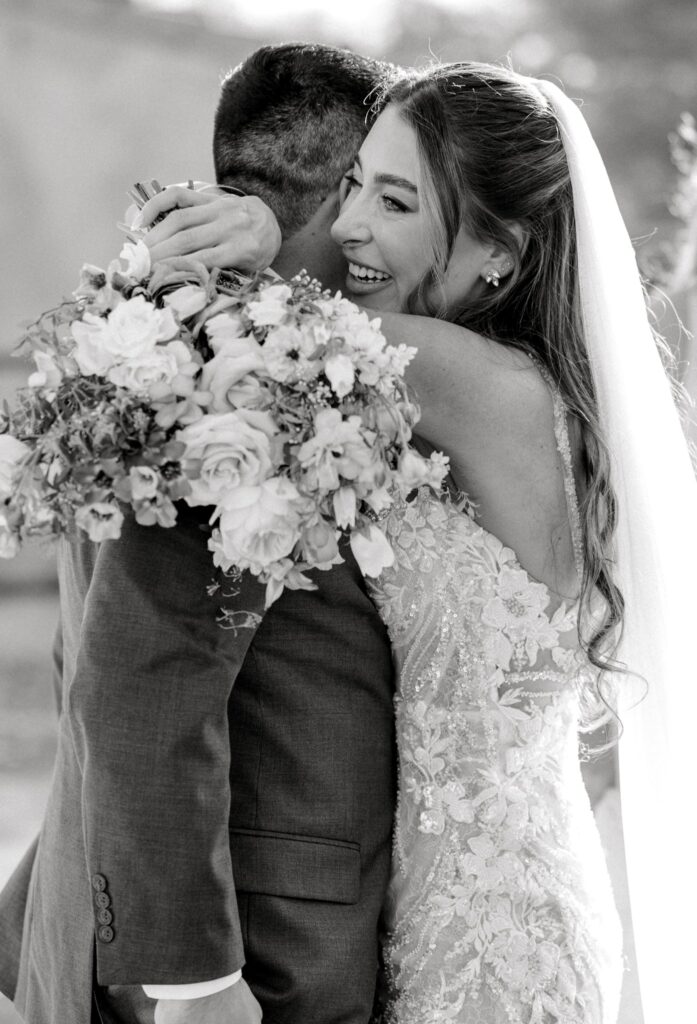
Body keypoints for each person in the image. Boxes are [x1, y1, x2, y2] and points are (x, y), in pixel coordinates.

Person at [142, 61, 697, 1024]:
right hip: (477, 893)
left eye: (394, 200)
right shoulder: (513, 388)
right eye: (353, 182)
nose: (349, 223)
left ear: (501, 253)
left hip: (488, 936)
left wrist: (268, 229)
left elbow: (252, 331)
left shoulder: (455, 375)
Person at [0, 44, 399, 1024]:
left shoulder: (144, 326)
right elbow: (140, 673)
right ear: (341, 185)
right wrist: (197, 984)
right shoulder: (234, 355)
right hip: (252, 962)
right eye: (381, 190)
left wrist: (29, 923)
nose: (380, 224)